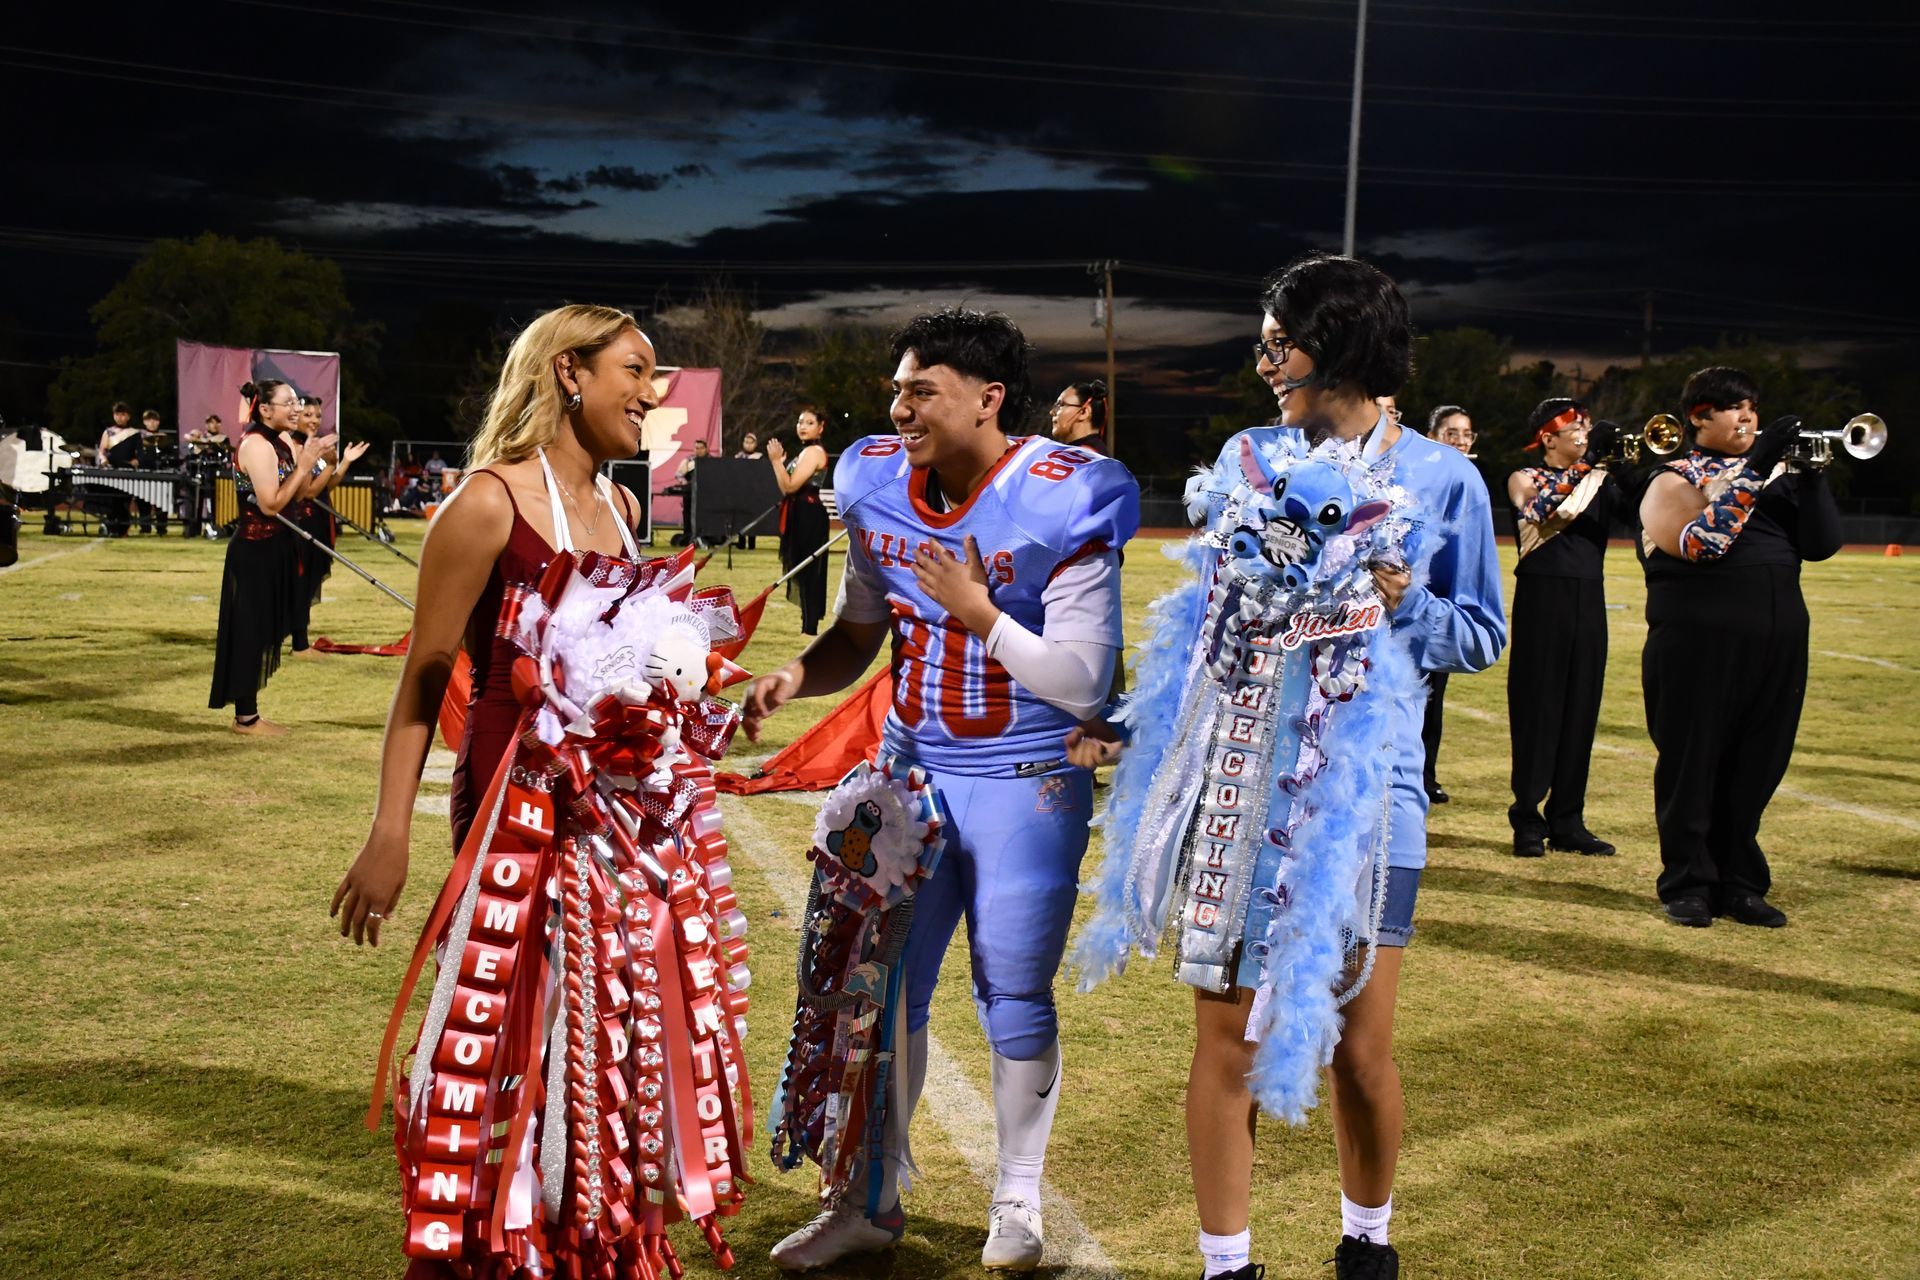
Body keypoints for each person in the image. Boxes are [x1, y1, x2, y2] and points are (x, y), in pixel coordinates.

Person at [1072, 255, 1505, 1280]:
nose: (1264, 359)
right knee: (1223, 1040)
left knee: (1359, 1046)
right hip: (1241, 776)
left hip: (1371, 794)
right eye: (1263, 340)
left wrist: (1404, 601)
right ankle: (1228, 1266)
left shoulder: (1444, 476)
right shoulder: (1247, 456)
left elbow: (1480, 632)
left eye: (1281, 340)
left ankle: (1367, 1248)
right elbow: (1203, 618)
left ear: (1342, 343)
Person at [334, 305, 761, 1274]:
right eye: (636, 371)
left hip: (617, 814)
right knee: (519, 1034)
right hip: (515, 812)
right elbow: (425, 673)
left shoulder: (619, 505)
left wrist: (684, 703)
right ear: (570, 372)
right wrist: (389, 830)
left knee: (606, 1032)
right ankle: (512, 1241)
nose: (653, 395)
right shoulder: (486, 502)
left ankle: (595, 1236)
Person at [746, 308, 1139, 1271]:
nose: (900, 407)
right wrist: (799, 674)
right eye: (897, 389)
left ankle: (1017, 1198)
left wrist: (978, 615)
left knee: (1011, 992)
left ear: (987, 397)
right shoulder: (875, 480)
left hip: (1026, 776)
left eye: (922, 389)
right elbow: (857, 627)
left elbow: (1087, 682)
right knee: (876, 998)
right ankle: (866, 1202)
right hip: (912, 777)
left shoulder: (1063, 492)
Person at [1636, 366, 1842, 928]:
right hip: (1696, 647)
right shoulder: (1672, 477)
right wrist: (1757, 467)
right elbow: (1704, 544)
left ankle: (1740, 882)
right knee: (1693, 764)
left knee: (1758, 764)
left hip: (1777, 643)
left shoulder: (1777, 476)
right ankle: (1688, 882)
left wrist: (1814, 477)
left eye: (1751, 404)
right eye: (1731, 406)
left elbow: (1823, 546)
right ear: (1699, 417)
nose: (1747, 414)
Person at [1503, 399, 1631, 858]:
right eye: (1575, 428)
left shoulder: (1601, 480)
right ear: (1547, 437)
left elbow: (1639, 512)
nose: (1584, 434)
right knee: (1538, 707)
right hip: (1542, 597)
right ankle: (1527, 817)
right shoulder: (1525, 477)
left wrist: (1629, 465)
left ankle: (1568, 818)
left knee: (1581, 708)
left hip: (1589, 598)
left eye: (1588, 428)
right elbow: (1543, 512)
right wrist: (1592, 462)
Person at [208, 380, 332, 735]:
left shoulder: (279, 443)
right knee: (250, 632)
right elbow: (272, 503)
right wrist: (305, 461)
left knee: (265, 631)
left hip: (278, 547)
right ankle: (246, 718)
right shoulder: (257, 445)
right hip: (255, 550)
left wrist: (311, 465)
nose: (296, 409)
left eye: (297, 402)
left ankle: (249, 714)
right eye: (288, 403)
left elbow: (302, 492)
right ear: (264, 408)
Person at [1417, 404, 1475, 803]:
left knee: (1435, 695)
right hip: (1411, 594)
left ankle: (1427, 774)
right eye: (1451, 432)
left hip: (1441, 600)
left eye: (1466, 433)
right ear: (1433, 436)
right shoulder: (1416, 474)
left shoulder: (1470, 481)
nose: (1460, 440)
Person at [767, 406, 831, 635]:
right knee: (802, 570)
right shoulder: (804, 452)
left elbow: (791, 485)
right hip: (799, 511)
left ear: (820, 428)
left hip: (809, 515)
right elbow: (786, 488)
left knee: (809, 569)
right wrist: (780, 465)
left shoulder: (813, 452)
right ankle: (807, 623)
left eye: (810, 423)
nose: (803, 426)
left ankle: (810, 625)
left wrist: (776, 462)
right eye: (800, 422)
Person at [96, 402, 140, 536]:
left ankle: (123, 529)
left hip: (127, 471)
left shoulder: (134, 433)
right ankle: (111, 526)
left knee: (125, 501)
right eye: (117, 414)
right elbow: (102, 450)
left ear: (128, 416)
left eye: (123, 415)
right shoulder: (108, 432)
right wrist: (103, 461)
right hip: (112, 471)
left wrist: (136, 461)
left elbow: (139, 453)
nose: (120, 417)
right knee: (112, 500)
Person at [1047, 378, 1111, 455]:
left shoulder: (1086, 457)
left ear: (1083, 412)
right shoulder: (1089, 453)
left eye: (1061, 405)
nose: (1052, 412)